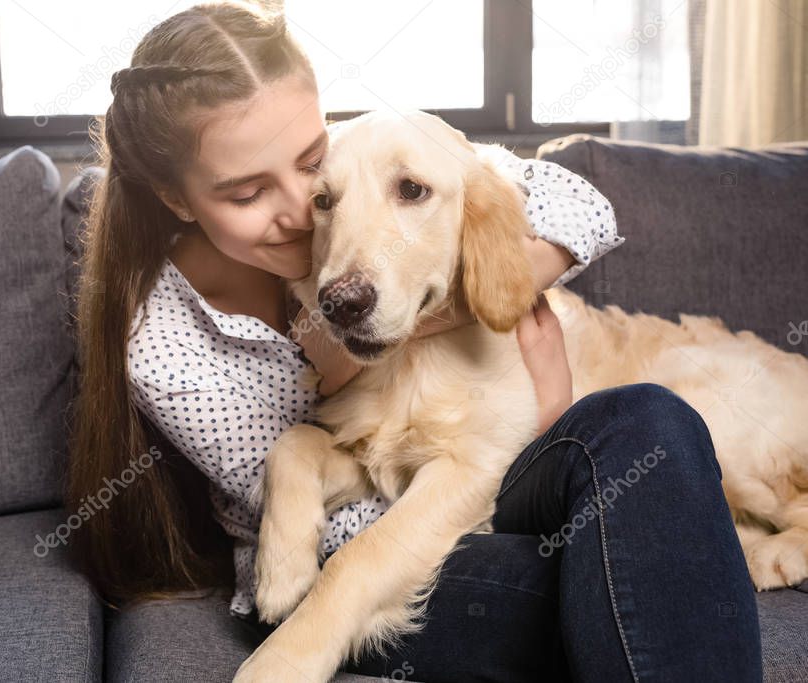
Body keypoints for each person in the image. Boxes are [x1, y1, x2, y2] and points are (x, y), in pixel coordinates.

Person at [66, 2, 762, 680]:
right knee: (647, 563)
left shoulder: (356, 190)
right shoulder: (163, 347)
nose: (296, 216)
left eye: (310, 164)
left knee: (652, 417)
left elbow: (575, 204)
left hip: (480, 483)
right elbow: (340, 529)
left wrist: (481, 295)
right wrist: (537, 419)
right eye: (245, 194)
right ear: (178, 198)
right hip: (362, 562)